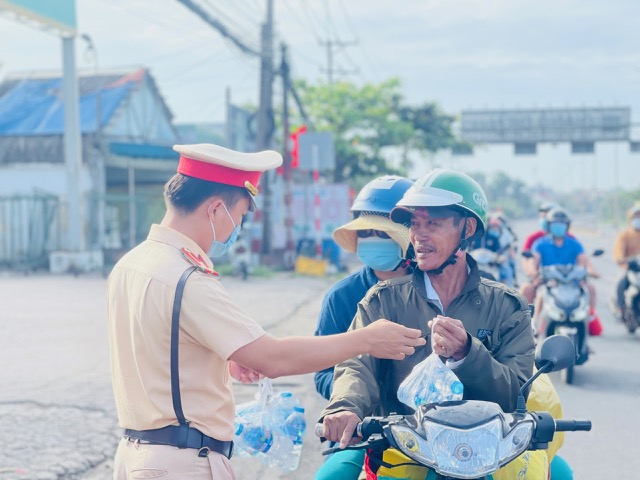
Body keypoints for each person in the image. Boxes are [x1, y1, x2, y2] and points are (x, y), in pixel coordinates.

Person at [106, 143, 426, 480]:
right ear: (216, 209)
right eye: (240, 216)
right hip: (181, 462)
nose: (236, 228)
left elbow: (163, 344)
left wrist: (224, 353)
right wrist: (366, 339)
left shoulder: (133, 264)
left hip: (137, 454)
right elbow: (273, 359)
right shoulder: (187, 278)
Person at [319, 169, 538, 477]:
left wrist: (467, 354)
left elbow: (515, 393)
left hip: (481, 456)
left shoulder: (506, 307)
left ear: (468, 228)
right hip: (399, 448)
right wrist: (345, 406)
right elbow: (356, 365)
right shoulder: (382, 301)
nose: (419, 235)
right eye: (414, 224)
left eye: (432, 223)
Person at [314, 175, 414, 480]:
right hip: (367, 430)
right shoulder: (343, 296)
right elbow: (322, 372)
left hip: (435, 428)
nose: (373, 239)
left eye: (383, 234)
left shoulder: (437, 288)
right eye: (367, 233)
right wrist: (357, 399)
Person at [521, 207, 600, 335]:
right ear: (549, 226)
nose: (559, 227)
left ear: (567, 226)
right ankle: (532, 323)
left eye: (562, 225)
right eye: (555, 225)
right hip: (548, 281)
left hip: (570, 282)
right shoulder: (540, 243)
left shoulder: (574, 243)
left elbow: (583, 260)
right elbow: (533, 261)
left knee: (590, 289)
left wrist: (590, 271)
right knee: (531, 290)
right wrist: (533, 272)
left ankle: (587, 323)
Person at [612, 203, 640, 318]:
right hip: (630, 269)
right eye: (636, 216)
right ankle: (620, 308)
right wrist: (621, 260)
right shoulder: (624, 235)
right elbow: (618, 252)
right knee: (621, 282)